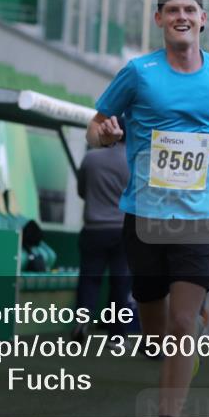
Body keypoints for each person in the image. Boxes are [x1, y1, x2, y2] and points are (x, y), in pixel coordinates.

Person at [86, 0, 209, 417]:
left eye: (190, 9)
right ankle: (172, 343)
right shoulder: (139, 72)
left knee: (183, 321)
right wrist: (106, 134)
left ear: (203, 19)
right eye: (172, 10)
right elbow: (96, 126)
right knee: (154, 337)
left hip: (200, 217)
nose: (181, 16)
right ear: (159, 19)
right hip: (144, 217)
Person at [72, 118, 138, 342]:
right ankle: (117, 335)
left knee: (89, 279)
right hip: (123, 230)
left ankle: (83, 320)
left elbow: (82, 191)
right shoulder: (133, 162)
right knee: (121, 283)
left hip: (93, 228)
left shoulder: (90, 158)